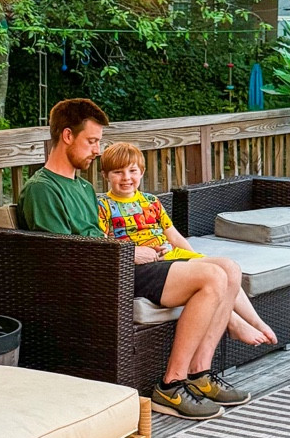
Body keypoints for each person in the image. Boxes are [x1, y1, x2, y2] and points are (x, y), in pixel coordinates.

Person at [17, 98, 248, 421]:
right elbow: (61, 254)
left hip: (120, 264)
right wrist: (127, 251)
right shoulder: (42, 189)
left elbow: (98, 236)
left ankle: (199, 374)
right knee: (212, 278)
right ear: (67, 136)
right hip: (102, 276)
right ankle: (171, 385)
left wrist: (134, 250)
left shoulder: (82, 188)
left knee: (229, 268)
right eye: (91, 141)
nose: (97, 150)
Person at [97, 142, 280, 353]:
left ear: (142, 172)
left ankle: (256, 321)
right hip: (148, 262)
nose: (126, 178)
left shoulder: (151, 201)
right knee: (213, 277)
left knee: (227, 267)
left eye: (132, 171)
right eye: (118, 172)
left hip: (171, 253)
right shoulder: (103, 205)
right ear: (105, 175)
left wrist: (195, 257)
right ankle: (234, 322)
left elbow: (173, 235)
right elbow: (105, 242)